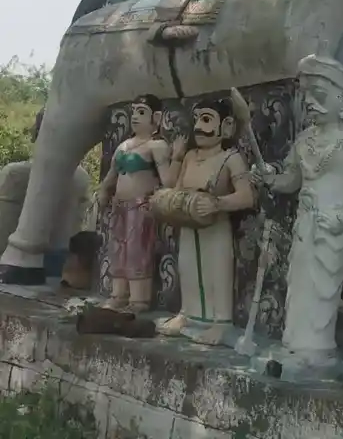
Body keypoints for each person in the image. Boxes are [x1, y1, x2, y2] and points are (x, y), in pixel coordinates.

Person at [251, 54, 343, 363]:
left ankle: (316, 348)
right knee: (299, 284)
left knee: (323, 288)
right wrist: (270, 177)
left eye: (319, 95)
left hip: (335, 223)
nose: (310, 102)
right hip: (306, 221)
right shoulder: (304, 140)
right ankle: (294, 343)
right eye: (306, 95)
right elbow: (291, 180)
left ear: (341, 98)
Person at [157, 98, 255, 345]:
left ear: (227, 125)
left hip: (216, 224)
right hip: (189, 222)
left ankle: (221, 322)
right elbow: (177, 187)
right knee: (188, 268)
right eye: (197, 119)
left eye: (207, 119)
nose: (199, 126)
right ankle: (187, 314)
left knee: (217, 272)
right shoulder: (191, 156)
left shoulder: (231, 158)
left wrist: (218, 203)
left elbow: (247, 196)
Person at [97, 95, 182, 313]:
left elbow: (168, 181)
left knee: (137, 251)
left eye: (141, 112)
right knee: (117, 250)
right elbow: (111, 175)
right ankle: (118, 294)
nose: (135, 117)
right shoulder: (124, 146)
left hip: (141, 205)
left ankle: (138, 299)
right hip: (119, 206)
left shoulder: (156, 146)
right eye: (134, 112)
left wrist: (177, 157)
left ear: (156, 117)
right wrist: (104, 191)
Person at [0, 109, 90, 279]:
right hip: (64, 261)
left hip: (15, 262)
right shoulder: (82, 177)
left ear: (37, 134)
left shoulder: (14, 174)